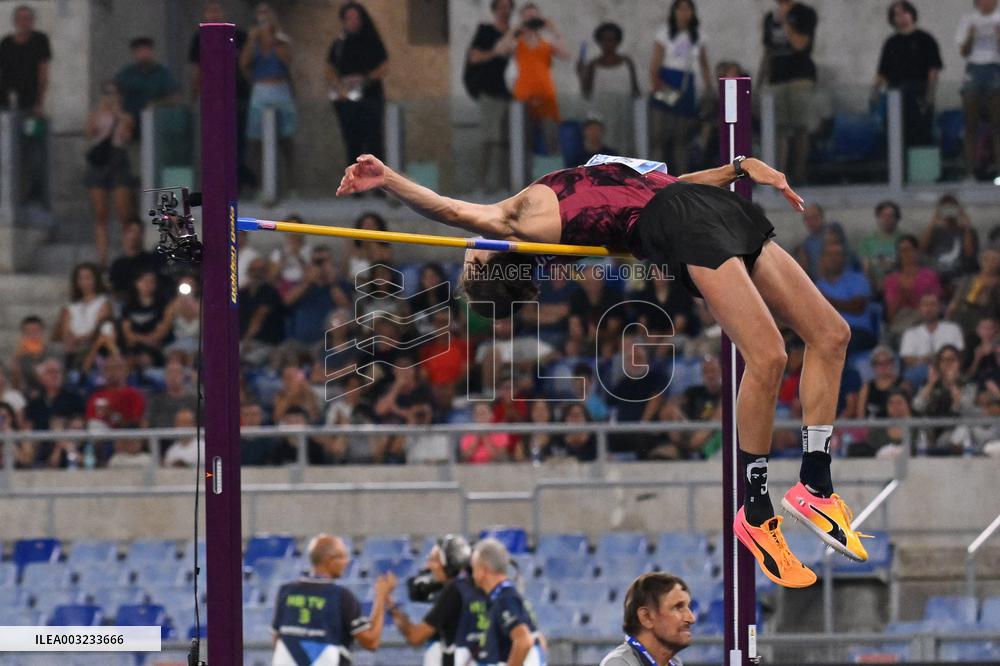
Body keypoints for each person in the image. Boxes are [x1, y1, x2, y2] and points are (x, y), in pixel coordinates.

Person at [337, 147, 867, 586]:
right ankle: (756, 512)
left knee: (831, 334)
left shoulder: (572, 222)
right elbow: (449, 211)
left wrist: (737, 168)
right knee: (769, 355)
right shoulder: (518, 217)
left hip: (699, 202)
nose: (466, 251)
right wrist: (388, 179)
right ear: (498, 252)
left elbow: (659, 185)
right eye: (472, 257)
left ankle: (815, 485)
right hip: (683, 223)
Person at [271, 534, 396, 666]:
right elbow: (371, 642)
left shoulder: (286, 592)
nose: (347, 561)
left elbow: (277, 639)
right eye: (342, 556)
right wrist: (381, 596)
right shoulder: (341, 597)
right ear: (329, 560)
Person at [390, 535, 489, 666]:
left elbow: (415, 637)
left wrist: (390, 605)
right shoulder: (477, 588)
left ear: (450, 565)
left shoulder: (454, 591)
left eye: (434, 560)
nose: (428, 566)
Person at [189, 0, 255, 189]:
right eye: (210, 11)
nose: (213, 15)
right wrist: (195, 94)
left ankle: (239, 183)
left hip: (237, 96)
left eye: (216, 10)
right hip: (212, 99)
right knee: (215, 143)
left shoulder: (237, 35)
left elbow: (247, 64)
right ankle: (216, 184)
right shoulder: (198, 38)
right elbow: (197, 69)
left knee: (237, 142)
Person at [241, 2, 296, 202]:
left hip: (280, 89)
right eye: (260, 14)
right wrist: (253, 39)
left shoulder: (281, 40)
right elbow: (244, 63)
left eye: (266, 13)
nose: (263, 17)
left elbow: (287, 60)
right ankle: (257, 185)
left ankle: (290, 186)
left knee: (286, 140)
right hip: (260, 90)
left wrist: (272, 40)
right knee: (256, 141)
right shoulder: (252, 40)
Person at [649, 0, 712, 176]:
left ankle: (682, 176)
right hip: (666, 81)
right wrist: (658, 86)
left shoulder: (698, 35)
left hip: (686, 85)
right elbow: (655, 64)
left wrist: (709, 89)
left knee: (682, 136)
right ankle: (656, 176)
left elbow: (704, 64)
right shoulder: (664, 33)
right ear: (674, 12)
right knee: (660, 134)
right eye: (681, 9)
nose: (684, 13)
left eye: (688, 9)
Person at [872, 1, 943, 151]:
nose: (901, 17)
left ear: (912, 14)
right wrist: (874, 93)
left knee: (920, 135)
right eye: (897, 14)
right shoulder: (891, 43)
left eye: (904, 12)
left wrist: (929, 95)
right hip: (895, 94)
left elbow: (933, 70)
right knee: (896, 135)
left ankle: (921, 172)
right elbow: (882, 72)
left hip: (919, 92)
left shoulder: (925, 39)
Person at [761, 0, 818, 184]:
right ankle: (779, 176)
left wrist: (786, 22)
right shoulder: (770, 18)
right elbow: (768, 51)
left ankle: (800, 174)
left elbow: (801, 45)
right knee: (780, 129)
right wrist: (760, 82)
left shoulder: (805, 13)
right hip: (777, 80)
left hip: (799, 78)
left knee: (801, 127)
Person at [326, 2, 389, 170]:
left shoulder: (372, 41)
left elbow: (383, 66)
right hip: (347, 99)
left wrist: (365, 80)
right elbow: (330, 68)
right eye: (349, 18)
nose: (353, 21)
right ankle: (356, 186)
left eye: (356, 17)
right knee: (352, 141)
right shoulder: (340, 43)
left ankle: (378, 185)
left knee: (374, 141)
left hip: (370, 96)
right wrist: (341, 85)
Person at [0, 4, 51, 203]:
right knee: (6, 148)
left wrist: (39, 102)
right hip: (6, 106)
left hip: (30, 107)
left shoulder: (39, 40)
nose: (25, 22)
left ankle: (32, 194)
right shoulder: (5, 43)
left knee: (33, 148)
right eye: (21, 19)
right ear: (15, 21)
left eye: (28, 18)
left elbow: (43, 73)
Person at [465, 0, 515, 194]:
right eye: (501, 7)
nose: (505, 11)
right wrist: (496, 51)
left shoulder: (515, 33)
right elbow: (474, 57)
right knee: (489, 140)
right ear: (495, 10)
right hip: (491, 93)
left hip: (511, 96)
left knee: (507, 141)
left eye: (508, 7)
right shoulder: (485, 32)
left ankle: (505, 185)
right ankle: (482, 185)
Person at [84, 83, 136, 268]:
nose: (110, 97)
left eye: (113, 93)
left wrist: (117, 113)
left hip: (118, 161)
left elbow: (128, 135)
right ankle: (102, 259)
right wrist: (101, 111)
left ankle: (129, 253)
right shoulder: (96, 114)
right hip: (100, 163)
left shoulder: (125, 116)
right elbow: (89, 133)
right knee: (101, 214)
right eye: (107, 93)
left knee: (124, 212)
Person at [505, 3, 568, 153]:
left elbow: (565, 54)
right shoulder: (516, 42)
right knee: (524, 145)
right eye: (528, 17)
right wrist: (516, 29)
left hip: (546, 100)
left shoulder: (546, 42)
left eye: (534, 17)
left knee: (552, 143)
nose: (532, 20)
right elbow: (502, 49)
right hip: (523, 100)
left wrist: (553, 30)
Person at [471, 538, 543, 666]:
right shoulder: (506, 595)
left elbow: (524, 641)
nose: (473, 575)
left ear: (484, 570)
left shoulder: (505, 598)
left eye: (474, 568)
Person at [599, 573, 694, 666]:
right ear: (646, 617)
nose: (691, 618)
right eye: (678, 607)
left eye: (689, 607)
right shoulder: (619, 663)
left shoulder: (675, 662)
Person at [578, 21, 640, 154]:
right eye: (604, 40)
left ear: (618, 42)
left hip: (623, 112)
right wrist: (580, 73)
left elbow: (636, 90)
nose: (608, 44)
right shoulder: (594, 65)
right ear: (599, 42)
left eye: (612, 40)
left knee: (625, 147)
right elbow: (586, 92)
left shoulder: (627, 63)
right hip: (602, 113)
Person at [956, 0, 1000, 180]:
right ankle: (970, 172)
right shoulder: (968, 19)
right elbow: (964, 52)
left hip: (995, 68)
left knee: (998, 125)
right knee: (971, 125)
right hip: (974, 69)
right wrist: (971, 36)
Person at [815, 242, 878, 353]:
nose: (833, 258)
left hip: (856, 331)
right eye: (829, 254)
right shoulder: (818, 285)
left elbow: (857, 308)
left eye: (837, 254)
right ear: (822, 259)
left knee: (836, 349)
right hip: (827, 333)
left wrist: (824, 299)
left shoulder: (858, 279)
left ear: (844, 258)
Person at [52, 263, 113, 370]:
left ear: (96, 279)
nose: (85, 282)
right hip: (72, 344)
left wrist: (82, 338)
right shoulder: (70, 306)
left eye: (88, 278)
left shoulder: (103, 302)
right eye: (81, 278)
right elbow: (65, 329)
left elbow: (101, 327)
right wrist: (71, 337)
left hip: (92, 343)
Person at [882, 234, 943, 340]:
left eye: (909, 250)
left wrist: (912, 297)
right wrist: (901, 296)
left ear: (916, 251)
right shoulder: (891, 280)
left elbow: (935, 304)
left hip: (924, 318)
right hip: (901, 321)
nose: (906, 254)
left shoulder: (929, 276)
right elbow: (890, 315)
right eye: (902, 251)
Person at [899, 293, 965, 385]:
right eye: (925, 305)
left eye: (933, 305)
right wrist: (930, 360)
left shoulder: (953, 328)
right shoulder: (910, 333)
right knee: (909, 378)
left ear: (939, 308)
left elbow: (959, 354)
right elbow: (908, 360)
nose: (929, 309)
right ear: (920, 309)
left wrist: (932, 360)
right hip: (920, 372)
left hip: (947, 369)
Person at [114, 37, 178, 130]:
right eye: (139, 51)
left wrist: (156, 104)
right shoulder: (127, 73)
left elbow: (174, 97)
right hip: (129, 120)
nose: (144, 54)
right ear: (134, 53)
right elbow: (113, 92)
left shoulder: (162, 73)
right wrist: (119, 112)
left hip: (154, 119)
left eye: (147, 50)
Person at [919, 194, 980, 286]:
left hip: (960, 275)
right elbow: (922, 249)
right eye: (945, 209)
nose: (949, 213)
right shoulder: (934, 231)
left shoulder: (968, 232)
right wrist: (933, 221)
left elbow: (970, 254)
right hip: (937, 275)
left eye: (952, 209)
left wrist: (967, 225)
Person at [946, 247, 1000, 343]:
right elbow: (955, 302)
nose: (989, 263)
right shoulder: (968, 279)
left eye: (994, 259)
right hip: (964, 315)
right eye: (986, 259)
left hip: (987, 318)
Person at [858, 200, 904, 289]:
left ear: (897, 219)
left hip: (899, 287)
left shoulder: (904, 240)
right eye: (883, 216)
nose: (887, 219)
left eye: (891, 216)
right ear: (878, 217)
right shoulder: (867, 242)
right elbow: (866, 269)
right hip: (875, 287)